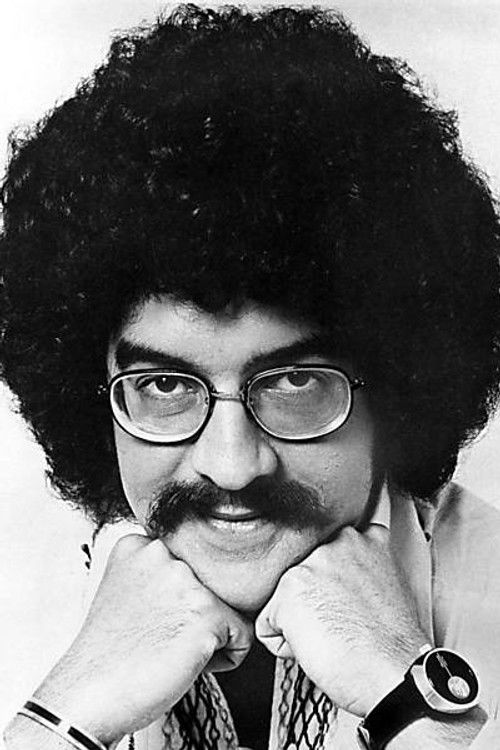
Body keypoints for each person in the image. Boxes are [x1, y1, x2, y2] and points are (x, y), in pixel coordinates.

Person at [2, 5, 500, 749]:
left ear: (399, 390)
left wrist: (410, 705)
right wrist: (63, 715)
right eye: (165, 387)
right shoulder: (19, 621)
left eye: (294, 384)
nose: (232, 466)